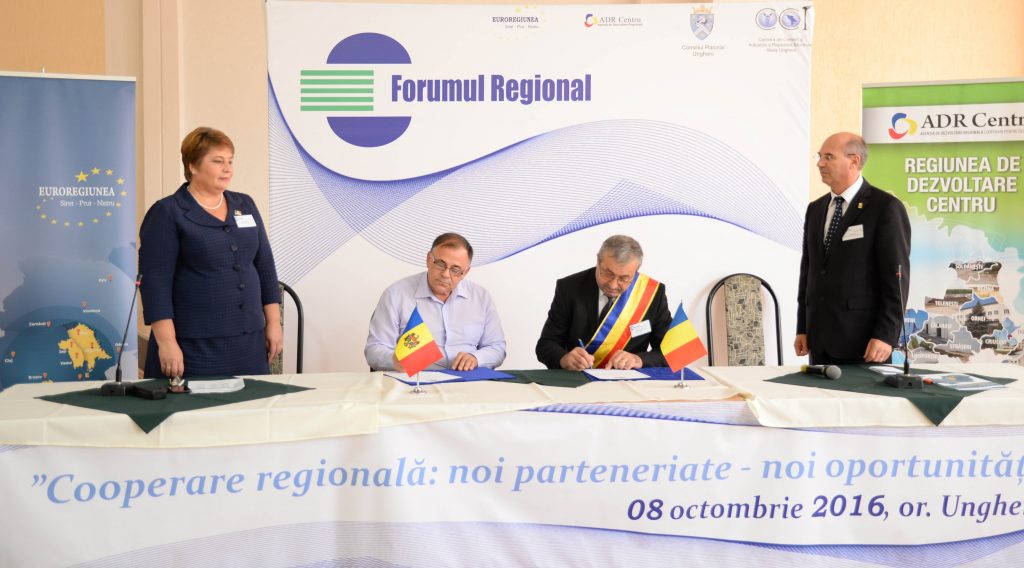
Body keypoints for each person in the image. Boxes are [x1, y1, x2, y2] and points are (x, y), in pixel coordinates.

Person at [139, 127, 282, 379]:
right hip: (193, 347)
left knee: (253, 403)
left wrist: (273, 323)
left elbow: (265, 267)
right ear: (193, 165)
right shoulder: (168, 212)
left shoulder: (245, 204)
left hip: (249, 343)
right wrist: (167, 343)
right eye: (218, 161)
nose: (228, 169)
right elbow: (155, 284)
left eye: (230, 161)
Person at [795, 132, 911, 364]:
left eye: (829, 157)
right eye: (819, 156)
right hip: (819, 342)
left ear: (854, 161)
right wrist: (803, 328)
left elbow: (896, 279)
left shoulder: (885, 208)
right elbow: (808, 272)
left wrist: (885, 335)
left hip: (865, 344)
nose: (820, 163)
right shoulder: (815, 209)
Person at [365, 233, 506, 371]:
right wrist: (396, 361)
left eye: (455, 269)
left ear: (466, 272)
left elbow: (497, 348)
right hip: (416, 380)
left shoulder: (481, 297)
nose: (445, 274)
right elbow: (374, 350)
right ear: (428, 259)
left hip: (467, 380)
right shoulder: (395, 295)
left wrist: (476, 358)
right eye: (440, 264)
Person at [536, 235, 672, 370]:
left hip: (628, 379)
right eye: (608, 273)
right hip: (578, 378)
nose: (613, 285)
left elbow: (672, 351)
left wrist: (639, 359)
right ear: (598, 261)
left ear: (636, 272)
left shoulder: (653, 293)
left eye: (624, 278)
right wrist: (563, 358)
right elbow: (546, 344)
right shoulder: (569, 288)